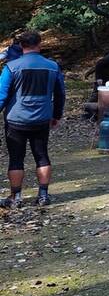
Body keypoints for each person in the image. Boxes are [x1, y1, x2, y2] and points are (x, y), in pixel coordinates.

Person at [0, 31, 65, 208]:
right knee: (42, 155)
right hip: (42, 119)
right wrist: (56, 115)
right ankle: (43, 195)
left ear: (21, 46)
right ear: (40, 44)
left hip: (16, 119)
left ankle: (16, 197)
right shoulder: (53, 66)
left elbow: (2, 95)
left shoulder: (11, 67)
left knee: (16, 158)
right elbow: (60, 93)